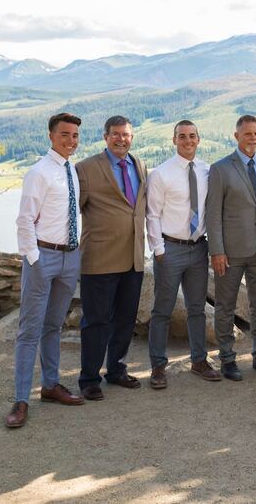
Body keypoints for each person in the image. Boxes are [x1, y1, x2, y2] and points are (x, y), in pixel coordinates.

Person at [7, 112, 85, 428]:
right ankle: (20, 400)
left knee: (54, 325)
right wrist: (35, 260)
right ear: (51, 136)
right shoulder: (38, 172)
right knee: (29, 330)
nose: (71, 140)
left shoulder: (72, 171)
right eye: (65, 134)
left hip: (70, 258)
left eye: (75, 135)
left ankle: (51, 385)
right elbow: (25, 220)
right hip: (44, 258)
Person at [74, 116, 148, 401]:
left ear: (132, 137)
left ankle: (116, 369)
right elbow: (73, 211)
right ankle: (89, 378)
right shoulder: (86, 169)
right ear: (105, 137)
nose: (121, 139)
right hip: (99, 258)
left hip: (133, 258)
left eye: (126, 135)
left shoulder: (139, 165)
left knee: (126, 319)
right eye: (115, 134)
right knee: (96, 321)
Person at [145, 119, 221, 390]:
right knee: (162, 310)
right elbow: (152, 214)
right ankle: (157, 366)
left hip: (198, 248)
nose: (188, 141)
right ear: (174, 140)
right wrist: (159, 250)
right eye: (182, 136)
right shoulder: (161, 174)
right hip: (171, 250)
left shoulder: (206, 171)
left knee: (197, 308)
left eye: (192, 136)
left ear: (199, 139)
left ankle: (199, 361)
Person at [205, 115, 256, 381]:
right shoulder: (221, 168)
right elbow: (213, 214)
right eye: (247, 134)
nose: (253, 139)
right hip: (230, 252)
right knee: (225, 306)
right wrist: (217, 250)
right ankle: (226, 358)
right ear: (236, 136)